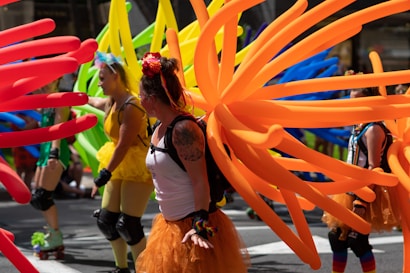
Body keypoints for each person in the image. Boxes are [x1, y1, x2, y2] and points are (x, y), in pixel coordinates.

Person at [135, 52, 249, 273]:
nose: (139, 101)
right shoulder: (158, 128)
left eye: (140, 96)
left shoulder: (184, 130)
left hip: (195, 225)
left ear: (150, 98)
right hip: (169, 227)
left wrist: (200, 224)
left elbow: (200, 181)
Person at [322, 85, 400, 273]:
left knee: (357, 242)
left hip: (364, 192)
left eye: (357, 100)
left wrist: (361, 202)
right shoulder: (360, 126)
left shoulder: (373, 129)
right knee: (337, 238)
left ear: (370, 102)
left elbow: (374, 168)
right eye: (351, 100)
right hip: (349, 188)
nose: (352, 104)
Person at [89, 51, 153, 273]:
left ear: (116, 76)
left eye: (102, 78)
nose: (100, 83)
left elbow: (124, 145)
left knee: (129, 225)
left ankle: (145, 270)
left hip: (136, 163)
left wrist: (103, 175)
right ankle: (121, 268)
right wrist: (70, 98)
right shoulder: (110, 103)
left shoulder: (131, 106)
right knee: (106, 221)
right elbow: (92, 100)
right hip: (119, 162)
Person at [30, 77, 70, 255]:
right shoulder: (46, 100)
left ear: (58, 80)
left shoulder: (60, 99)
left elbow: (59, 127)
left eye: (50, 78)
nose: (46, 82)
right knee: (37, 197)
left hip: (56, 149)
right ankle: (52, 232)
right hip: (44, 151)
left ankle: (55, 236)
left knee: (43, 196)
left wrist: (54, 153)